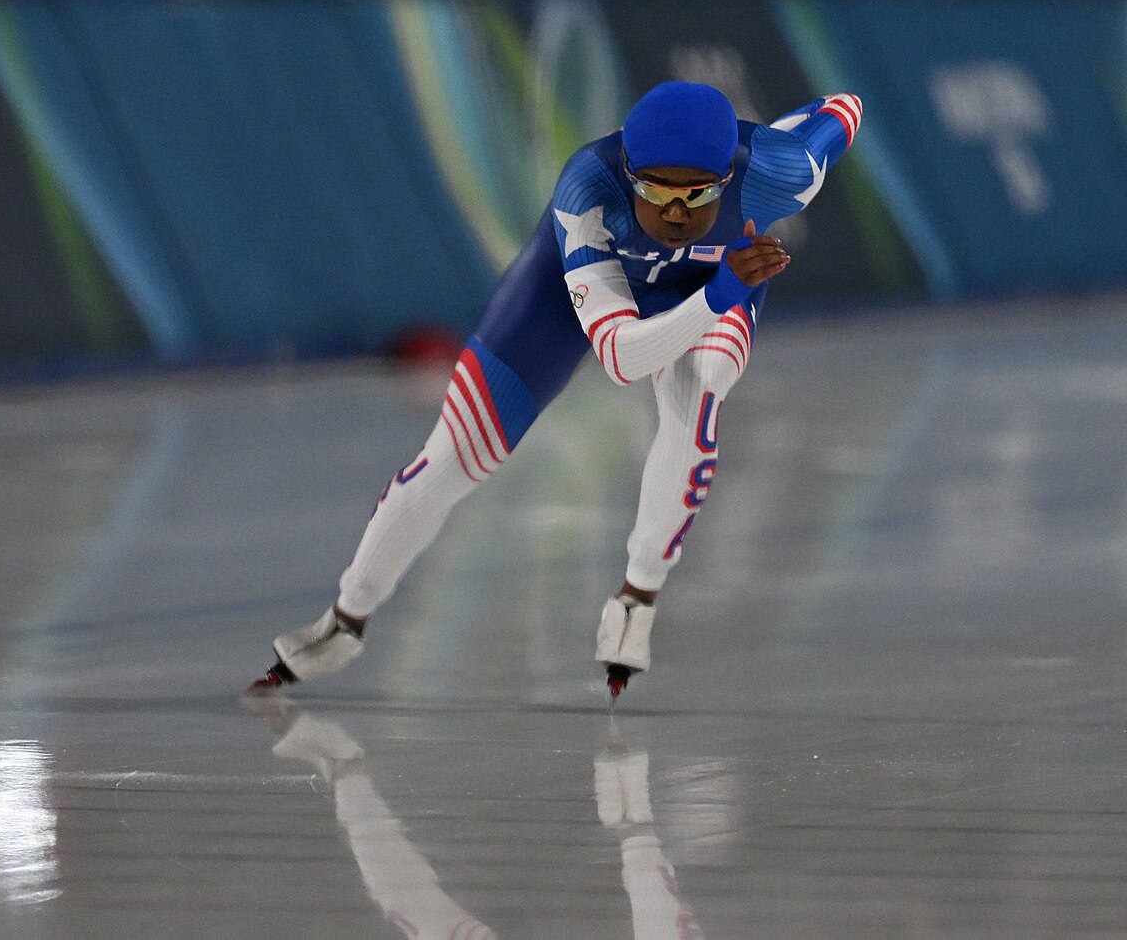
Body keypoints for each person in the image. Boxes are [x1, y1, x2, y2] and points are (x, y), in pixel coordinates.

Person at [252, 80, 863, 698]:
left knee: (697, 393)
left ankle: (637, 597)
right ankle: (346, 617)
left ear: (728, 178)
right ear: (628, 173)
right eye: (655, 191)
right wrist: (722, 293)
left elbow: (841, 111)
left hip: (708, 288)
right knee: (453, 458)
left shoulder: (777, 170)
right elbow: (622, 358)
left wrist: (769, 143)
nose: (674, 214)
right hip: (578, 297)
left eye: (697, 194)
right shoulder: (589, 190)